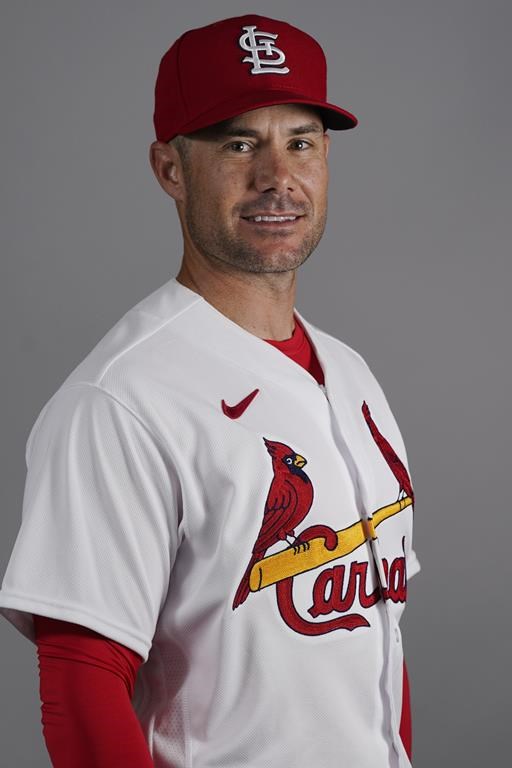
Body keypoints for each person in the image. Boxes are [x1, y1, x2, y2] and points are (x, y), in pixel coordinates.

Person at [0, 13, 420, 768]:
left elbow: (379, 635)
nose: (276, 178)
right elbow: (81, 681)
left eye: (301, 141)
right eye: (238, 143)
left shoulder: (353, 375)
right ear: (169, 168)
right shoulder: (121, 399)